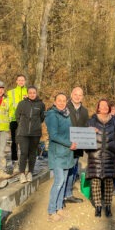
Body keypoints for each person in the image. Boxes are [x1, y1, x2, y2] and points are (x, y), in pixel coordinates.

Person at [46, 93, 77, 222]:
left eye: (64, 100)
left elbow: (70, 132)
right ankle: (51, 211)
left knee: (63, 182)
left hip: (66, 154)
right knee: (58, 182)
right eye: (59, 100)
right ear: (54, 101)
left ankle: (59, 208)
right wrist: (70, 143)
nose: (61, 102)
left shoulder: (66, 114)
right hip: (57, 154)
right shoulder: (52, 115)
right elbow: (53, 135)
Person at [87, 99, 115, 217]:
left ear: (109, 108)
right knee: (95, 181)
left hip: (110, 156)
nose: (104, 107)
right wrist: (90, 133)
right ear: (98, 108)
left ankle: (108, 207)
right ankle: (98, 206)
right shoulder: (91, 121)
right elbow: (85, 139)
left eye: (106, 105)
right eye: (102, 105)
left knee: (109, 182)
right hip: (95, 155)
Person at [15, 86, 46, 183]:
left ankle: (30, 172)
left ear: (36, 93)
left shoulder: (41, 104)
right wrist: (24, 125)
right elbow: (17, 116)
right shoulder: (22, 104)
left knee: (33, 153)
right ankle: (22, 174)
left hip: (35, 133)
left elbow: (42, 117)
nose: (32, 94)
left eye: (34, 92)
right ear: (27, 93)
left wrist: (35, 125)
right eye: (30, 93)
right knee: (24, 152)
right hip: (23, 133)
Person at [64, 87, 89, 204]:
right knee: (65, 170)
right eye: (75, 94)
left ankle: (68, 194)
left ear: (82, 97)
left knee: (73, 170)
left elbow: (85, 127)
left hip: (78, 146)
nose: (78, 97)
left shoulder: (84, 111)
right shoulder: (64, 107)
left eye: (80, 95)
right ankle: (61, 195)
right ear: (71, 94)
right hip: (65, 145)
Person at [7, 74, 28, 173]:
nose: (21, 82)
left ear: (25, 81)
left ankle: (25, 163)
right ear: (16, 81)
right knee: (14, 143)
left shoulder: (28, 92)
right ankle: (15, 163)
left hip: (25, 121)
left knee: (25, 142)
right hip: (14, 120)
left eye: (22, 80)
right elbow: (6, 106)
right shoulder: (10, 93)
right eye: (19, 80)